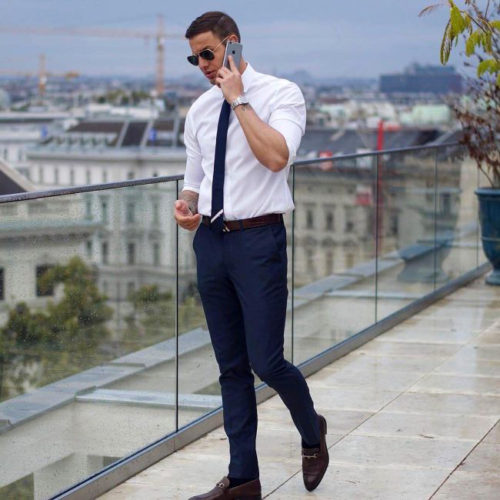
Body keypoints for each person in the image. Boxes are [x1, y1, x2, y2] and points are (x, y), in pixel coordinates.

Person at [174, 11, 329, 500]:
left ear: (232, 45)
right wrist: (186, 206)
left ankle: (312, 431)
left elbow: (276, 156)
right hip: (212, 243)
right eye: (194, 56)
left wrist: (236, 97)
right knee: (230, 368)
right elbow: (194, 181)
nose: (201, 64)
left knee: (266, 361)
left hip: (259, 241)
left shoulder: (282, 94)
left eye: (208, 53)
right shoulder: (198, 111)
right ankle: (243, 479)